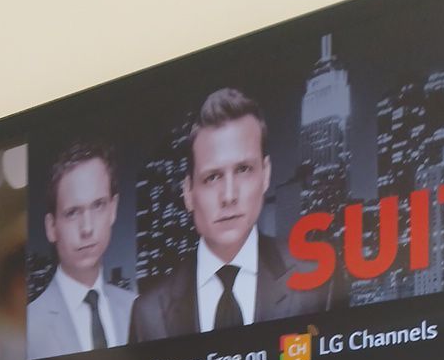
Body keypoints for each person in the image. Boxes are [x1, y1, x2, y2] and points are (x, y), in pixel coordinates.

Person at [129, 88, 322, 342]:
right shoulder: (148, 312)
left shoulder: (315, 279)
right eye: (212, 177)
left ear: (265, 174)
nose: (229, 196)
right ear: (188, 192)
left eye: (243, 169)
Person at [27, 142, 135, 359]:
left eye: (98, 205)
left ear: (113, 209)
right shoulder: (29, 325)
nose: (87, 228)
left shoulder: (136, 309)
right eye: (72, 212)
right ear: (51, 227)